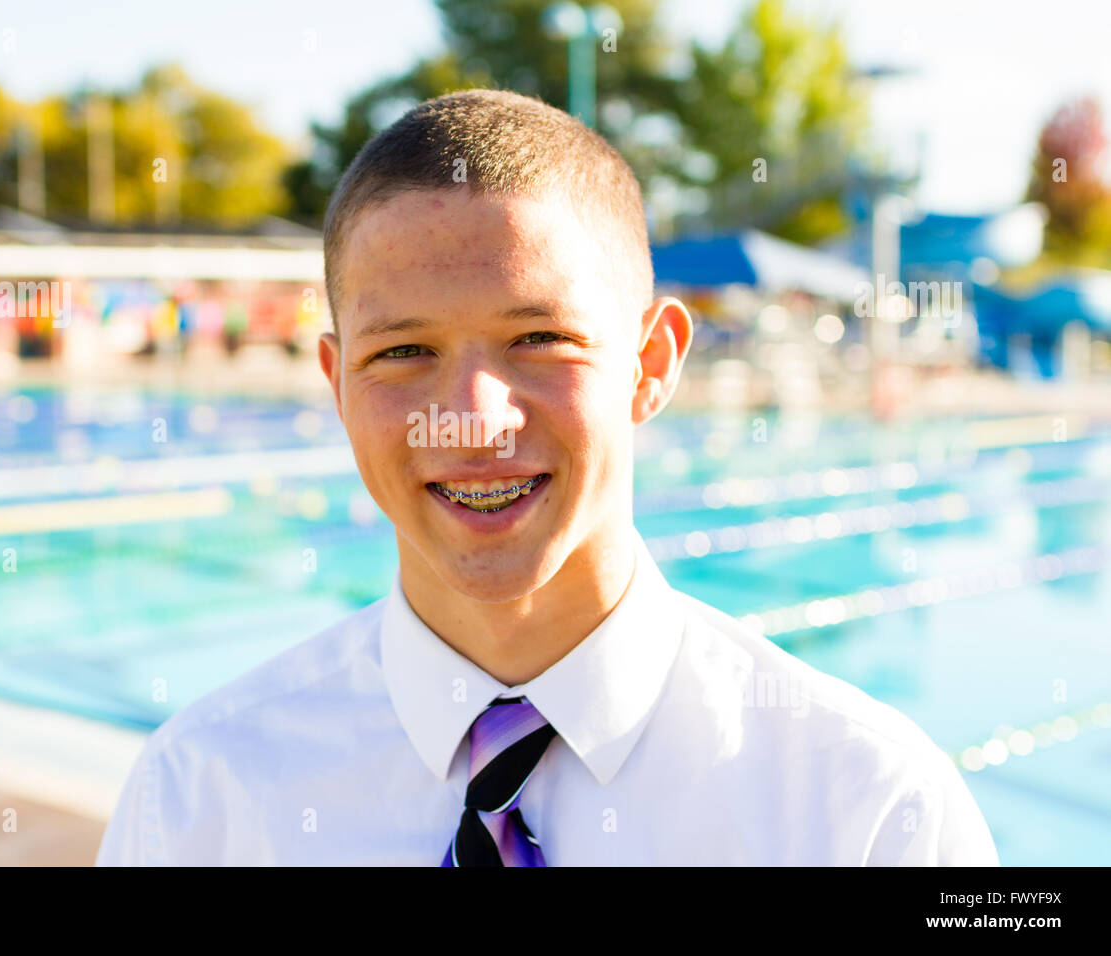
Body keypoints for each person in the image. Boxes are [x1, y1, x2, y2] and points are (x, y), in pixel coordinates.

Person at [96, 89, 999, 866]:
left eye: (540, 339)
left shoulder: (869, 814)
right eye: (403, 351)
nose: (475, 417)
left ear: (652, 363)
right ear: (336, 382)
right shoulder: (200, 799)